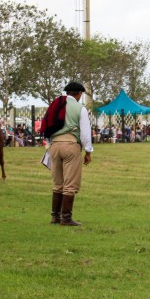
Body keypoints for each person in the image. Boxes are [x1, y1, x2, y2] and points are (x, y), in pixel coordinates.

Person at [49, 81, 93, 226]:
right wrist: (88, 151)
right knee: (70, 184)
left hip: (54, 145)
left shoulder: (55, 104)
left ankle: (55, 217)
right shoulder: (80, 108)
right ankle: (66, 218)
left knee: (58, 183)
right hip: (70, 144)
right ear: (79, 94)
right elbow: (85, 133)